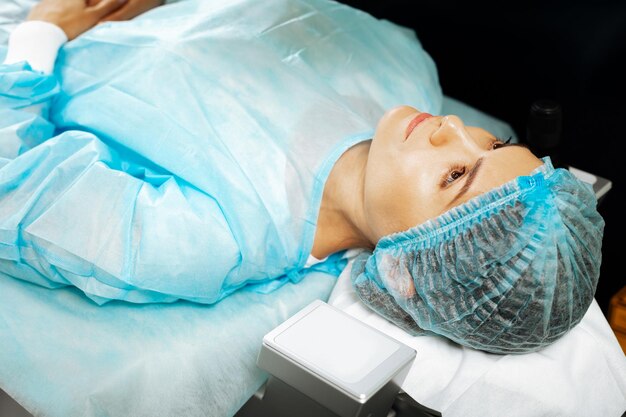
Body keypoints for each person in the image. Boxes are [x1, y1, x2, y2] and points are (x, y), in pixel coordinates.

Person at [0, 0, 604, 354]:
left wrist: (39, 34)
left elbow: (16, 188)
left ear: (409, 271)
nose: (454, 127)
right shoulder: (403, 68)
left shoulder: (213, 239)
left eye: (455, 176)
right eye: (494, 141)